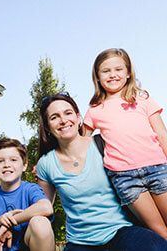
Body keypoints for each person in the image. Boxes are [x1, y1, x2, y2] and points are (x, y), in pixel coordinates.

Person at [36, 92, 167, 250]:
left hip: (122, 231)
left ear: (78, 118)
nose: (63, 120)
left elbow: (141, 168)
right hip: (80, 242)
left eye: (68, 113)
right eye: (54, 117)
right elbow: (43, 208)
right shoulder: (45, 164)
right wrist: (11, 222)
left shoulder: (105, 144)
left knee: (156, 247)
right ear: (48, 127)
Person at [84, 48, 167, 238]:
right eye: (106, 71)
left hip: (158, 169)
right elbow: (78, 144)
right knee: (159, 231)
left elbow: (162, 135)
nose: (113, 75)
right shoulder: (95, 109)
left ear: (128, 73)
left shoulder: (143, 100)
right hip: (125, 178)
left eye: (118, 69)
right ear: (97, 77)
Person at [0, 138, 55, 251]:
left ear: (24, 166)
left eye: (13, 160)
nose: (6, 165)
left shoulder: (30, 189)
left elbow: (46, 207)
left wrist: (9, 223)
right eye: (0, 161)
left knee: (40, 222)